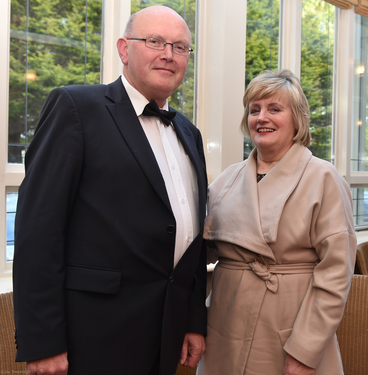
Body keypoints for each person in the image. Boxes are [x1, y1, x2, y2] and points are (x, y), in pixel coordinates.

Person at [13, 6, 207, 375]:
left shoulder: (189, 133)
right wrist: (43, 341)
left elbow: (193, 237)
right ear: (123, 49)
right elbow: (38, 230)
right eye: (154, 42)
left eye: (180, 47)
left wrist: (194, 318)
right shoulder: (76, 107)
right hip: (91, 336)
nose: (168, 54)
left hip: (166, 332)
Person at [196, 69, 356, 375]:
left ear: (297, 119)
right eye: (254, 110)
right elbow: (199, 255)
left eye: (274, 109)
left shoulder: (323, 178)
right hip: (225, 325)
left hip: (289, 328)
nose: (261, 118)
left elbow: (336, 273)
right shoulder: (227, 179)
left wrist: (305, 350)